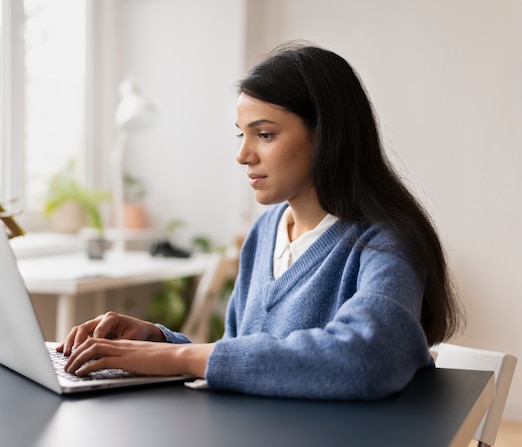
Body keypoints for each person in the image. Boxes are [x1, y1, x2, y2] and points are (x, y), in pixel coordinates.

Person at [58, 41, 464, 400]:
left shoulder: (385, 242)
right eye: (242, 135)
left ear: (328, 136)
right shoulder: (264, 232)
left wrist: (175, 354)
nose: (243, 155)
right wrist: (158, 340)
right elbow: (241, 352)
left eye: (265, 135)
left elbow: (368, 359)